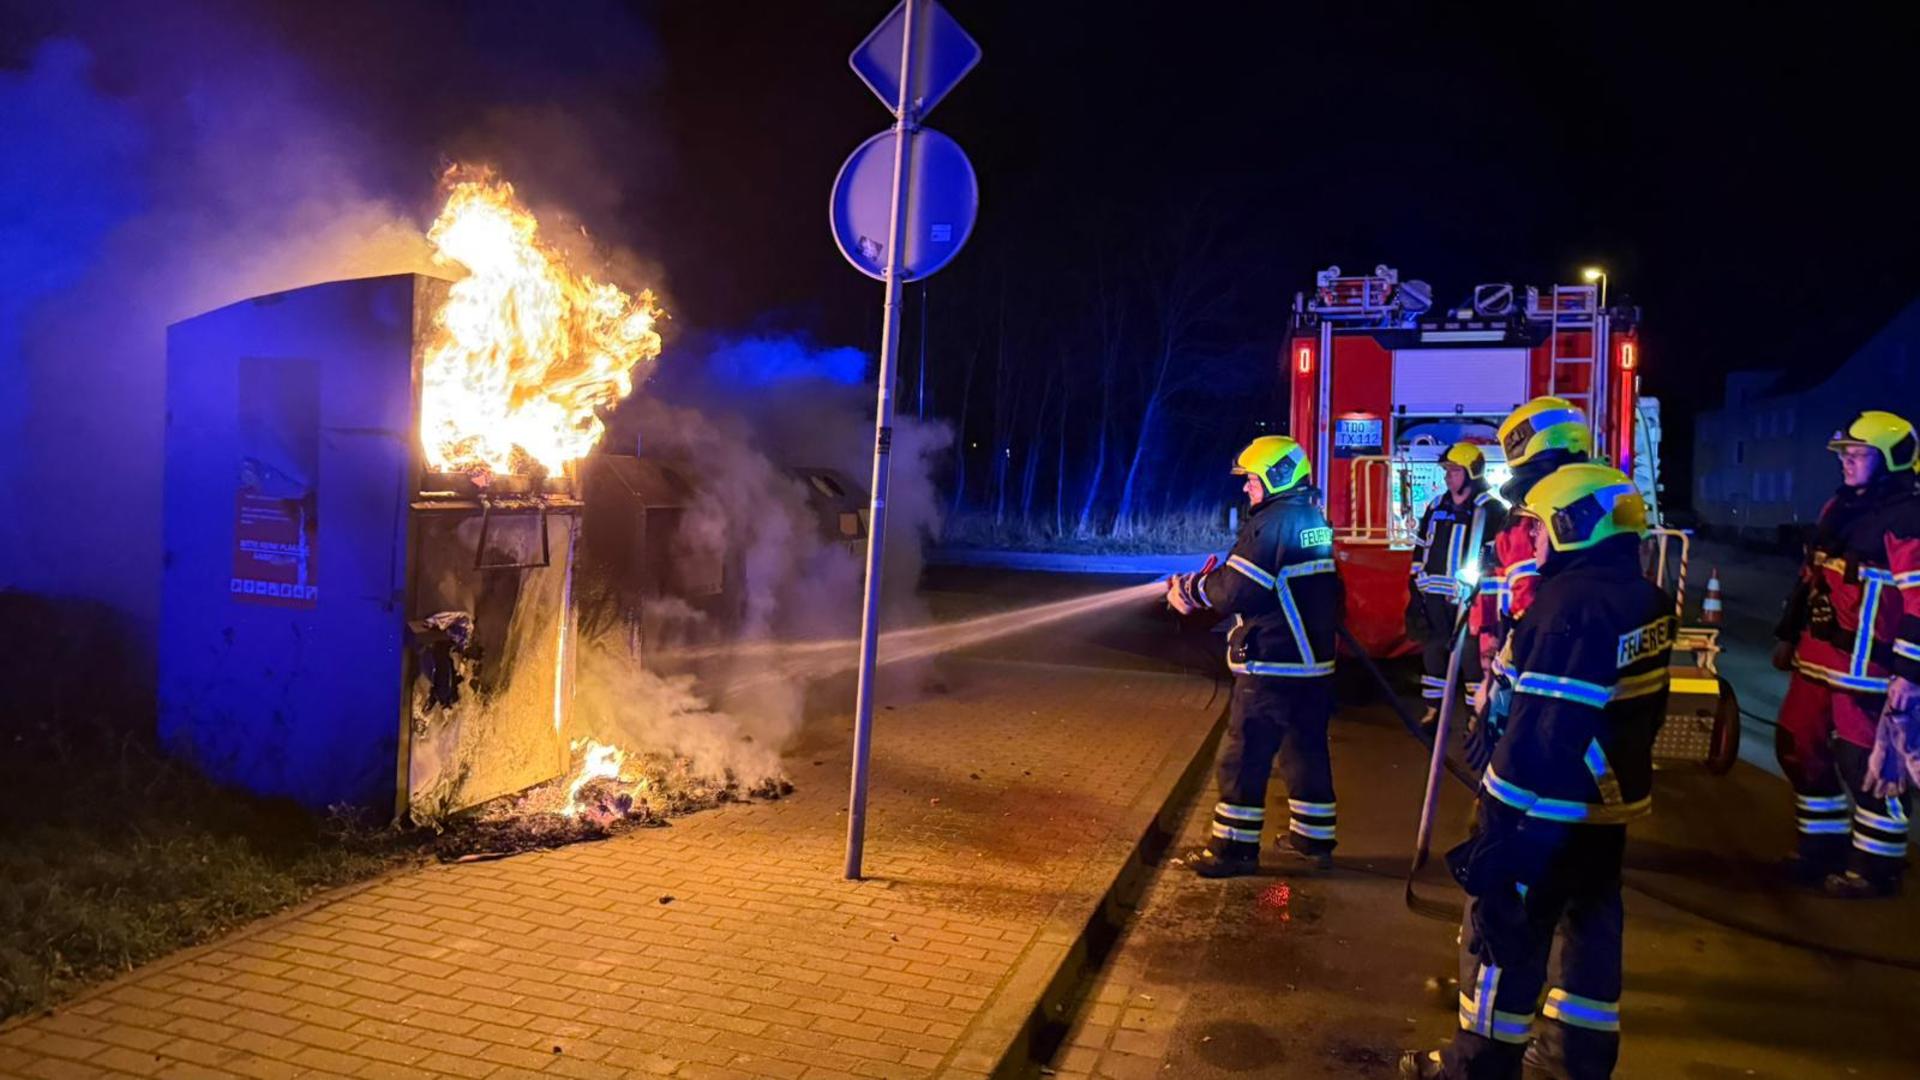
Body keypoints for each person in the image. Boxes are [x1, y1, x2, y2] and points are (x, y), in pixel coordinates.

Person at [1400, 463, 1672, 1080]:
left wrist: (1499, 821)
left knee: (1504, 938)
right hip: (1605, 806)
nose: (1534, 541)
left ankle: (1477, 1066)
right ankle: (1576, 1058)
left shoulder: (1569, 606)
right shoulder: (1645, 599)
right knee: (1591, 932)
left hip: (1544, 809)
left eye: (1542, 527)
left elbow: (1545, 731)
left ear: (1576, 527)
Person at [1168, 435, 1343, 878]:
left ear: (1276, 476)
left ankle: (1233, 850)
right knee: (1304, 750)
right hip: (1312, 664)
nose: (1246, 487)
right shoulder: (1311, 518)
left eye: (1251, 479)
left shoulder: (1271, 524)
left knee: (1244, 755)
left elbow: (1236, 590)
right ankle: (1312, 839)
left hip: (1273, 662)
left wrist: (1190, 589)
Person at [1771, 410, 1918, 898]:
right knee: (1797, 745)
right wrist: (1788, 636)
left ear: (1890, 460)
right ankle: (1821, 849)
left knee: (1869, 765)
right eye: (1845, 454)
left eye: (1858, 455)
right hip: (1817, 659)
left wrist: (1909, 674)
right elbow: (1811, 577)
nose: (1847, 462)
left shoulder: (1908, 518)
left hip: (1869, 671)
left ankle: (1876, 868)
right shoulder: (1839, 507)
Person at [1464, 397, 1593, 767]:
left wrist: (1495, 693)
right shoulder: (1598, 507)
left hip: (1537, 686)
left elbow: (1528, 618)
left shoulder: (1533, 522)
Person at [1408, 443, 1504, 727]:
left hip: (1470, 597)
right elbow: (1421, 547)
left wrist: (1479, 587)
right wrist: (1417, 585)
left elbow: (1494, 554)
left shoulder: (1491, 510)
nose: (1448, 476)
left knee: (1471, 654)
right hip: (1434, 595)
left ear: (1472, 472)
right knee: (1434, 651)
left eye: (1454, 471)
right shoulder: (1436, 506)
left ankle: (1476, 713)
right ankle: (1433, 710)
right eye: (1446, 471)